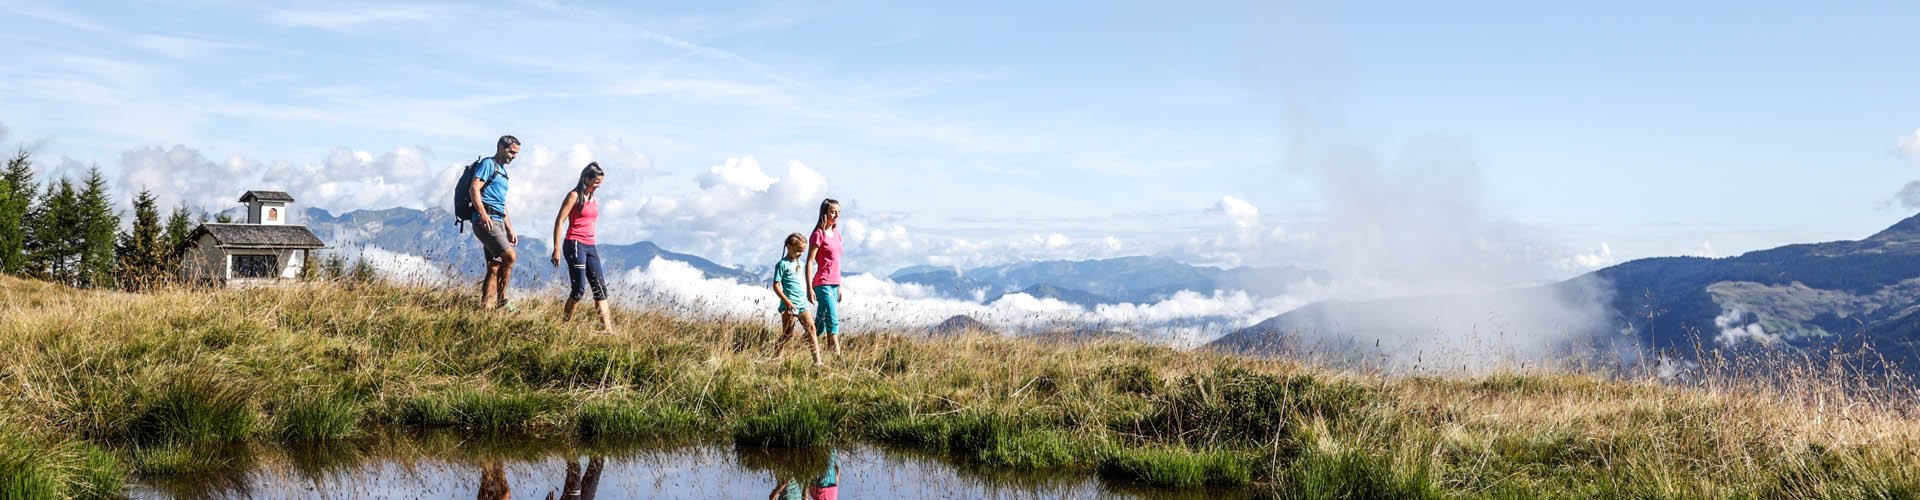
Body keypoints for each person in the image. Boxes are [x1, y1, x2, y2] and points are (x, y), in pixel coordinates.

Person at [550, 162, 613, 332]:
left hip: (590, 245)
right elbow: (559, 221)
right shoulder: (573, 196)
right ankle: (563, 326)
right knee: (578, 289)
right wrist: (556, 248)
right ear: (586, 178)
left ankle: (607, 329)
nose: (598, 185)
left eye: (600, 182)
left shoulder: (593, 198)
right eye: (596, 182)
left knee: (600, 288)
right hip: (574, 243)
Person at [471, 135, 521, 312]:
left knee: (494, 265)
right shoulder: (488, 164)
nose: (513, 156)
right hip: (487, 220)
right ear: (501, 147)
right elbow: (474, 188)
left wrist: (509, 228)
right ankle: (502, 299)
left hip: (498, 220)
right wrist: (483, 214)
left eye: (516, 154)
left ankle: (486, 308)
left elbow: (501, 203)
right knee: (510, 256)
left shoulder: (502, 171)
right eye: (511, 152)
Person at [771, 233, 823, 367]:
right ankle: (775, 356)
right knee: (788, 334)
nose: (800, 253)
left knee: (812, 328)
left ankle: (817, 361)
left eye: (803, 251)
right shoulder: (782, 264)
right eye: (798, 250)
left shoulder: (801, 263)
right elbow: (776, 285)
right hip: (789, 304)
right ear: (789, 247)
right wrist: (787, 302)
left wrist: (809, 291)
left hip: (802, 303)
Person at [804, 199, 844, 355]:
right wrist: (809, 288)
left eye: (838, 212)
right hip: (822, 283)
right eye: (833, 212)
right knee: (833, 322)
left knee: (819, 325)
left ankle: (798, 347)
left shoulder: (837, 235)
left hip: (834, 283)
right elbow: (809, 262)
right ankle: (837, 358)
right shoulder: (818, 234)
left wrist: (839, 286)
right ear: (824, 213)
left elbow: (836, 263)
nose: (836, 215)